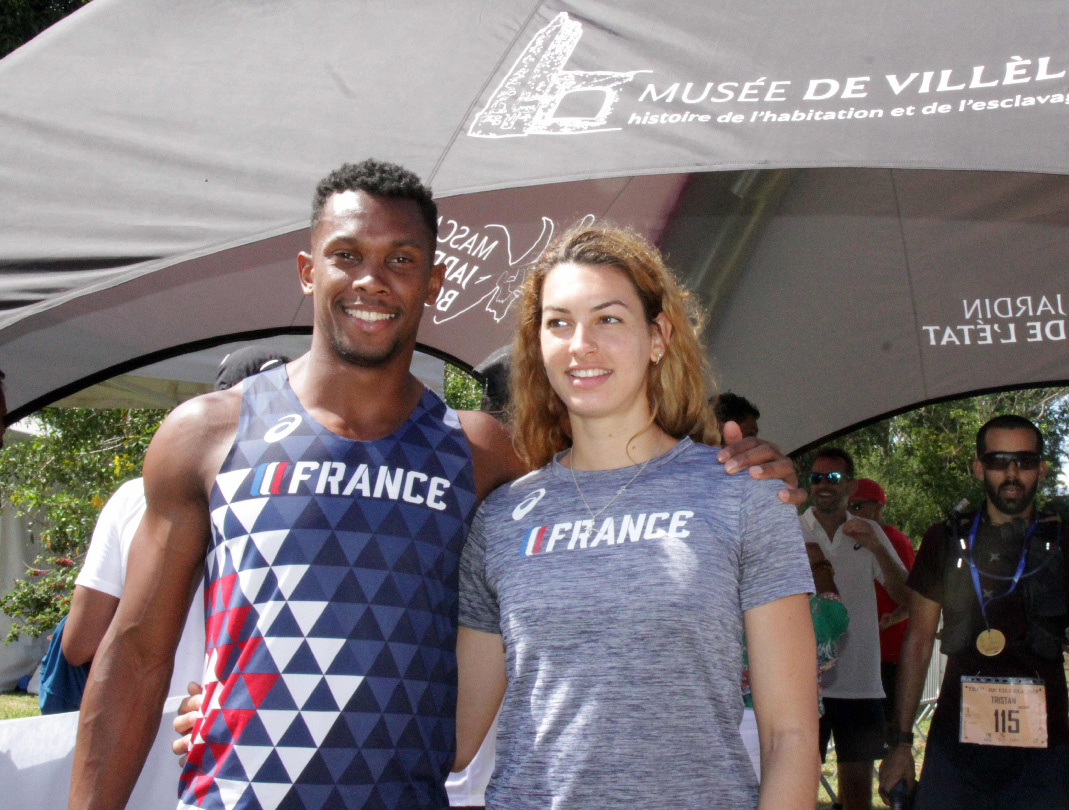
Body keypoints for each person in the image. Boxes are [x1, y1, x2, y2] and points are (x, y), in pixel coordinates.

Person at [72, 160, 803, 810]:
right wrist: (243, 704)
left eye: (401, 259)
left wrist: (751, 471)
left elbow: (622, 481)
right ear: (306, 270)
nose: (371, 279)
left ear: (434, 282)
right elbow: (133, 654)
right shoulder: (206, 434)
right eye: (346, 255)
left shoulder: (483, 455)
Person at [453, 225, 820, 809]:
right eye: (558, 323)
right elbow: (451, 738)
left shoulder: (742, 497)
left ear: (658, 336)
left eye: (608, 319)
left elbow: (791, 737)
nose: (581, 344)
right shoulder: (501, 519)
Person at [879, 415, 1069, 810]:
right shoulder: (944, 540)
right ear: (979, 468)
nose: (1012, 473)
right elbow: (917, 643)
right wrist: (899, 744)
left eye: (1025, 461)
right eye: (999, 461)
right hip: (955, 752)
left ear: (1041, 469)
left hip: (1047, 753)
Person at [60, 347, 291, 697]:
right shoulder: (310, 504)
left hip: (147, 717)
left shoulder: (136, 497)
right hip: (246, 714)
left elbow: (79, 643)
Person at [800, 448, 911, 810]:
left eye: (833, 478)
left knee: (858, 794)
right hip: (803, 682)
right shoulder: (792, 528)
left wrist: (877, 547)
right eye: (816, 478)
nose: (823, 485)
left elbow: (906, 597)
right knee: (796, 787)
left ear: (850, 485)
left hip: (860, 682)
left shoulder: (869, 531)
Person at [848, 477, 915, 726]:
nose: (851, 512)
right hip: (863, 652)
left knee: (885, 727)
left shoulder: (895, 541)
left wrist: (891, 619)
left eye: (857, 506)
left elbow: (914, 597)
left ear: (877, 507)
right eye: (848, 506)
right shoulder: (852, 538)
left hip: (889, 652)